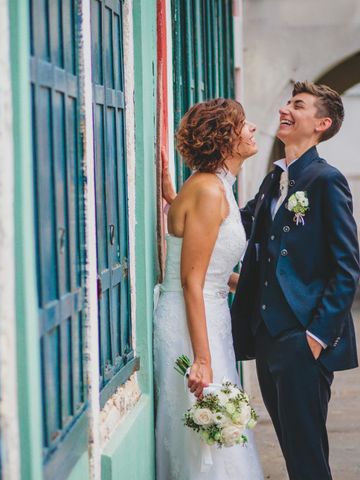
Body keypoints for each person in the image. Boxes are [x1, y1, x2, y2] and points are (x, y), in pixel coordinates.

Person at [231, 81, 360, 480]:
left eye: (298, 105)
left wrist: (317, 337)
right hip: (266, 336)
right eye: (287, 101)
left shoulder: (326, 180)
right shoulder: (274, 181)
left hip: (303, 340)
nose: (285, 108)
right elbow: (236, 226)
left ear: (322, 123)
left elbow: (347, 267)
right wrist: (190, 198)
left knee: (306, 458)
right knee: (291, 451)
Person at [154, 98, 263, 479]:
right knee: (204, 434)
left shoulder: (216, 187)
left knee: (216, 433)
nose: (252, 129)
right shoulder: (209, 191)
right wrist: (201, 359)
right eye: (243, 124)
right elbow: (191, 280)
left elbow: (208, 260)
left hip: (209, 314)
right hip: (192, 320)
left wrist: (171, 199)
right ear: (224, 138)